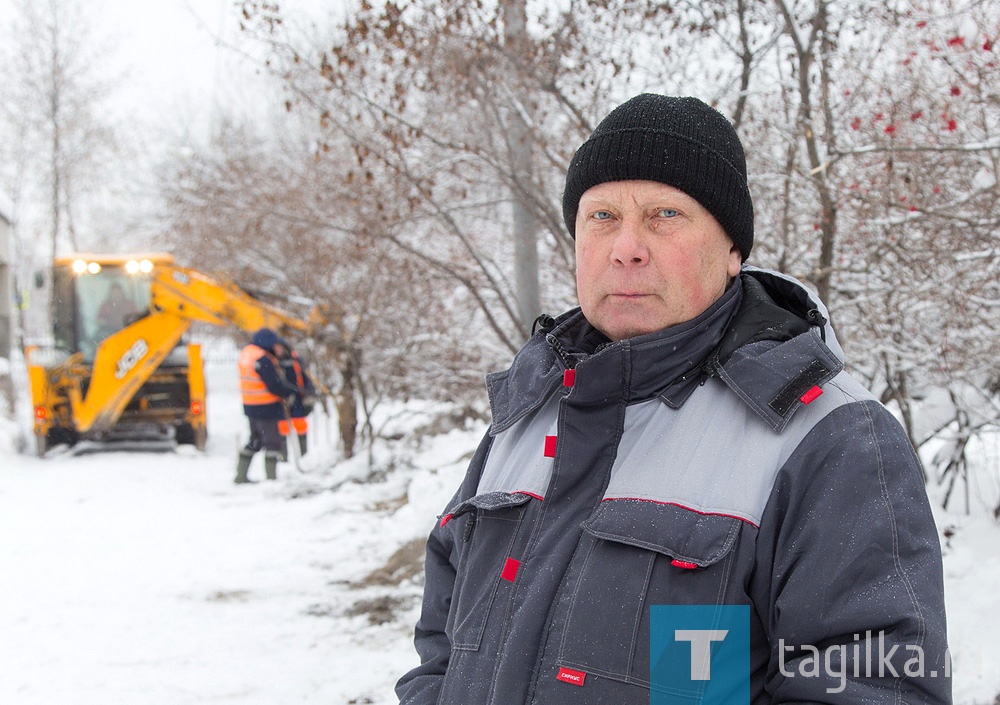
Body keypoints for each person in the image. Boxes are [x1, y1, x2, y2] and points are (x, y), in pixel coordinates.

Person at [396, 95, 949, 704]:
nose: (625, 246)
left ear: (733, 250)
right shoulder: (527, 415)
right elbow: (442, 649)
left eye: (664, 214)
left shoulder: (828, 437)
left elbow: (879, 687)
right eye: (601, 217)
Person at [234, 328, 302, 484]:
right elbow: (274, 385)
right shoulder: (262, 358)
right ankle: (271, 479)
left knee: (255, 440)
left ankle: (240, 475)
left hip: (250, 405)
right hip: (266, 405)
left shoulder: (247, 353)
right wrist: (291, 391)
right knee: (272, 442)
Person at [276, 337, 316, 459]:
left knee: (300, 424)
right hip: (281, 399)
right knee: (282, 427)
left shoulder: (295, 360)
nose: (278, 350)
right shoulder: (272, 361)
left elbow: (305, 377)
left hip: (298, 397)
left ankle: (304, 456)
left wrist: (309, 391)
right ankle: (283, 457)